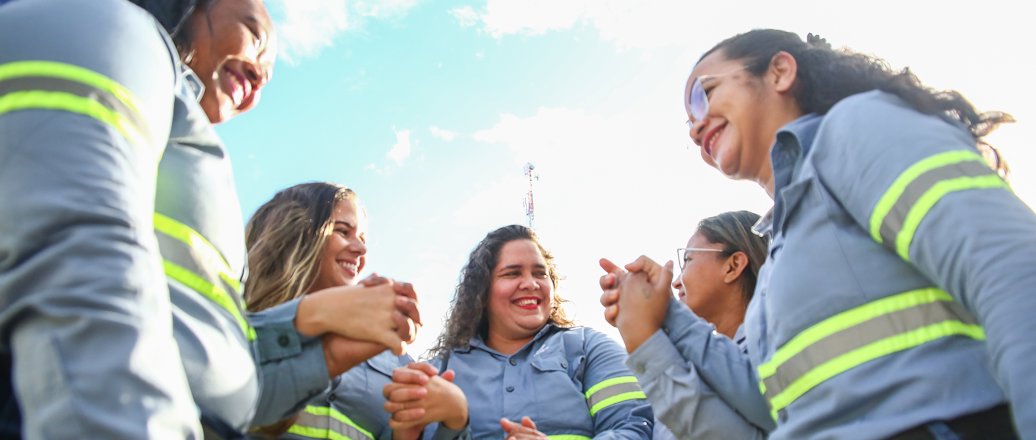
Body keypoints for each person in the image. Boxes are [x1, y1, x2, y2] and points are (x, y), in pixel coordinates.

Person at [0, 0, 418, 437]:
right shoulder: (110, 28)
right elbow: (73, 263)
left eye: (269, 75)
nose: (259, 79)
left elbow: (204, 371)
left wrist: (317, 349)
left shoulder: (175, 121)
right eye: (255, 38)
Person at [602, 29, 1032, 439]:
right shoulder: (782, 249)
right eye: (688, 121)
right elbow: (769, 409)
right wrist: (662, 321)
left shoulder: (857, 125)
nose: (696, 127)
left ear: (780, 72)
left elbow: (1007, 271)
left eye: (704, 94)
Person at [243, 182, 466, 440]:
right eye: (342, 231)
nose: (361, 250)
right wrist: (308, 316)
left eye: (362, 239)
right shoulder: (230, 319)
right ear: (296, 233)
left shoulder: (392, 356)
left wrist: (455, 419)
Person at [387, 225, 653, 439]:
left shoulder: (590, 347)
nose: (530, 284)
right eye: (512, 274)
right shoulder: (442, 368)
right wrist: (454, 423)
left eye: (540, 273)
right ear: (482, 291)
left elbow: (636, 427)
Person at [603, 211, 770, 439]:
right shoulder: (688, 362)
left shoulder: (774, 352)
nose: (676, 281)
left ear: (733, 266)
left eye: (688, 260)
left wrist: (644, 338)